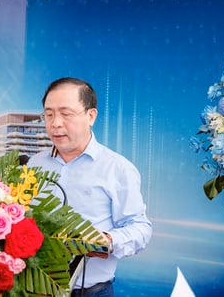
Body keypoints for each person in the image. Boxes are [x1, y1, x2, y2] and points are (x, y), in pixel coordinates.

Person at [28, 77, 152, 297]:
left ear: (91, 116)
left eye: (66, 114)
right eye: (49, 114)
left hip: (90, 292)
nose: (56, 123)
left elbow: (140, 228)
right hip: (32, 289)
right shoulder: (34, 164)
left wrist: (106, 240)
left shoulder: (117, 168)